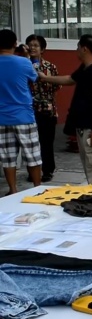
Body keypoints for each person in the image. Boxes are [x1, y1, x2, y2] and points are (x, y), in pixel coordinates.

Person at [39, 34, 92, 188]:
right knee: (89, 167)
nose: (76, 50)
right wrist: (45, 78)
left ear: (84, 49)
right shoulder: (85, 68)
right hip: (83, 128)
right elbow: (69, 79)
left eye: (78, 47)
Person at [0, 29, 43, 195]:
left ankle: (12, 189)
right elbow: (35, 76)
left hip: (2, 117)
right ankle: (37, 189)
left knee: (8, 157)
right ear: (14, 44)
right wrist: (27, 57)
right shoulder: (23, 63)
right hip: (24, 116)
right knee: (32, 155)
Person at [27, 34, 60, 183]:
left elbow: (57, 85)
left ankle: (47, 170)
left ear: (42, 49)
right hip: (29, 109)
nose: (32, 48)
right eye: (30, 45)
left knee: (46, 142)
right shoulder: (24, 65)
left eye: (36, 45)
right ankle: (33, 171)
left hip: (47, 109)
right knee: (31, 143)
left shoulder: (50, 67)